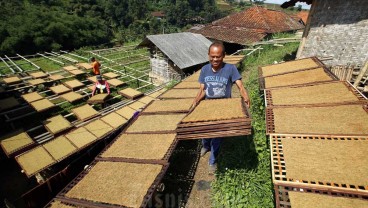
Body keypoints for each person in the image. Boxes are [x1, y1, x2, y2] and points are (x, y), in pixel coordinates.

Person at [192, 42, 250, 174]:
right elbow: (202, 90)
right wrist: (195, 102)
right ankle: (205, 146)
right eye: (212, 56)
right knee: (205, 131)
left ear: (224, 55)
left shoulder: (230, 69)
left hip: (223, 108)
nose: (215, 59)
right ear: (208, 55)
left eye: (218, 56)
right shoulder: (205, 69)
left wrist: (245, 95)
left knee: (217, 136)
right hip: (208, 107)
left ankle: (212, 160)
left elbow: (239, 85)